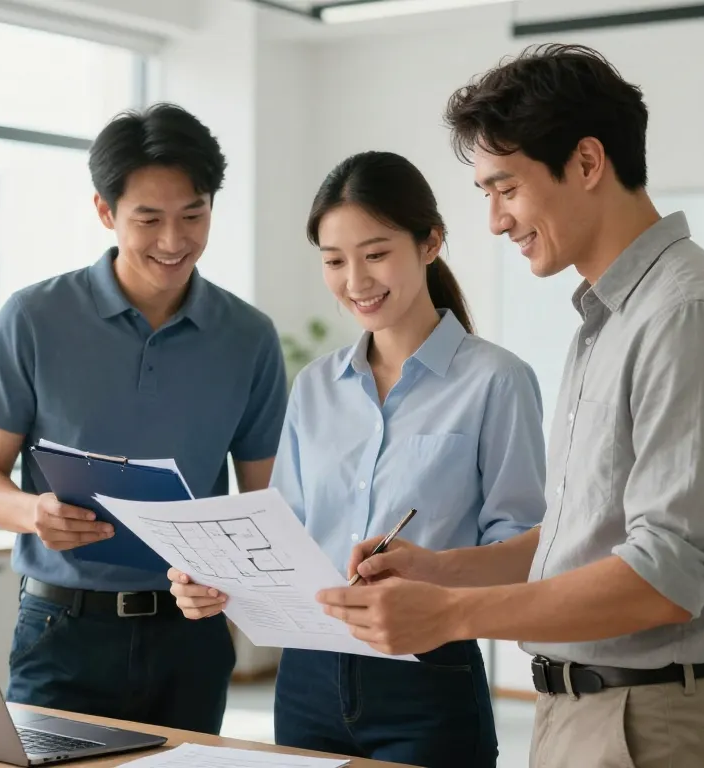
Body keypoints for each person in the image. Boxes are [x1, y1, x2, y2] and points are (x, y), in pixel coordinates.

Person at [315, 44, 704, 768]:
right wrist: (440, 571)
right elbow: (578, 538)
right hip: (585, 713)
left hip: (650, 724)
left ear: (588, 163)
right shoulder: (610, 319)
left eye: (506, 188)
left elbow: (665, 576)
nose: (497, 222)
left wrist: (451, 615)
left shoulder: (687, 313)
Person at [168, 150, 547, 767]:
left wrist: (431, 570)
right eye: (334, 260)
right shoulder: (316, 385)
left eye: (375, 254)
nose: (356, 281)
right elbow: (281, 534)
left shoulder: (496, 381)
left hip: (429, 675)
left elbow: (526, 551)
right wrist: (218, 580)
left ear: (431, 243)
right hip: (306, 681)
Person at [0, 103, 288, 734]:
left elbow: (265, 501)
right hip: (62, 632)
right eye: (149, 219)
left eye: (194, 215)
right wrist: (34, 513)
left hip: (191, 637)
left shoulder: (248, 337)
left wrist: (238, 582)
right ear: (106, 213)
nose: (174, 240)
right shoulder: (33, 318)